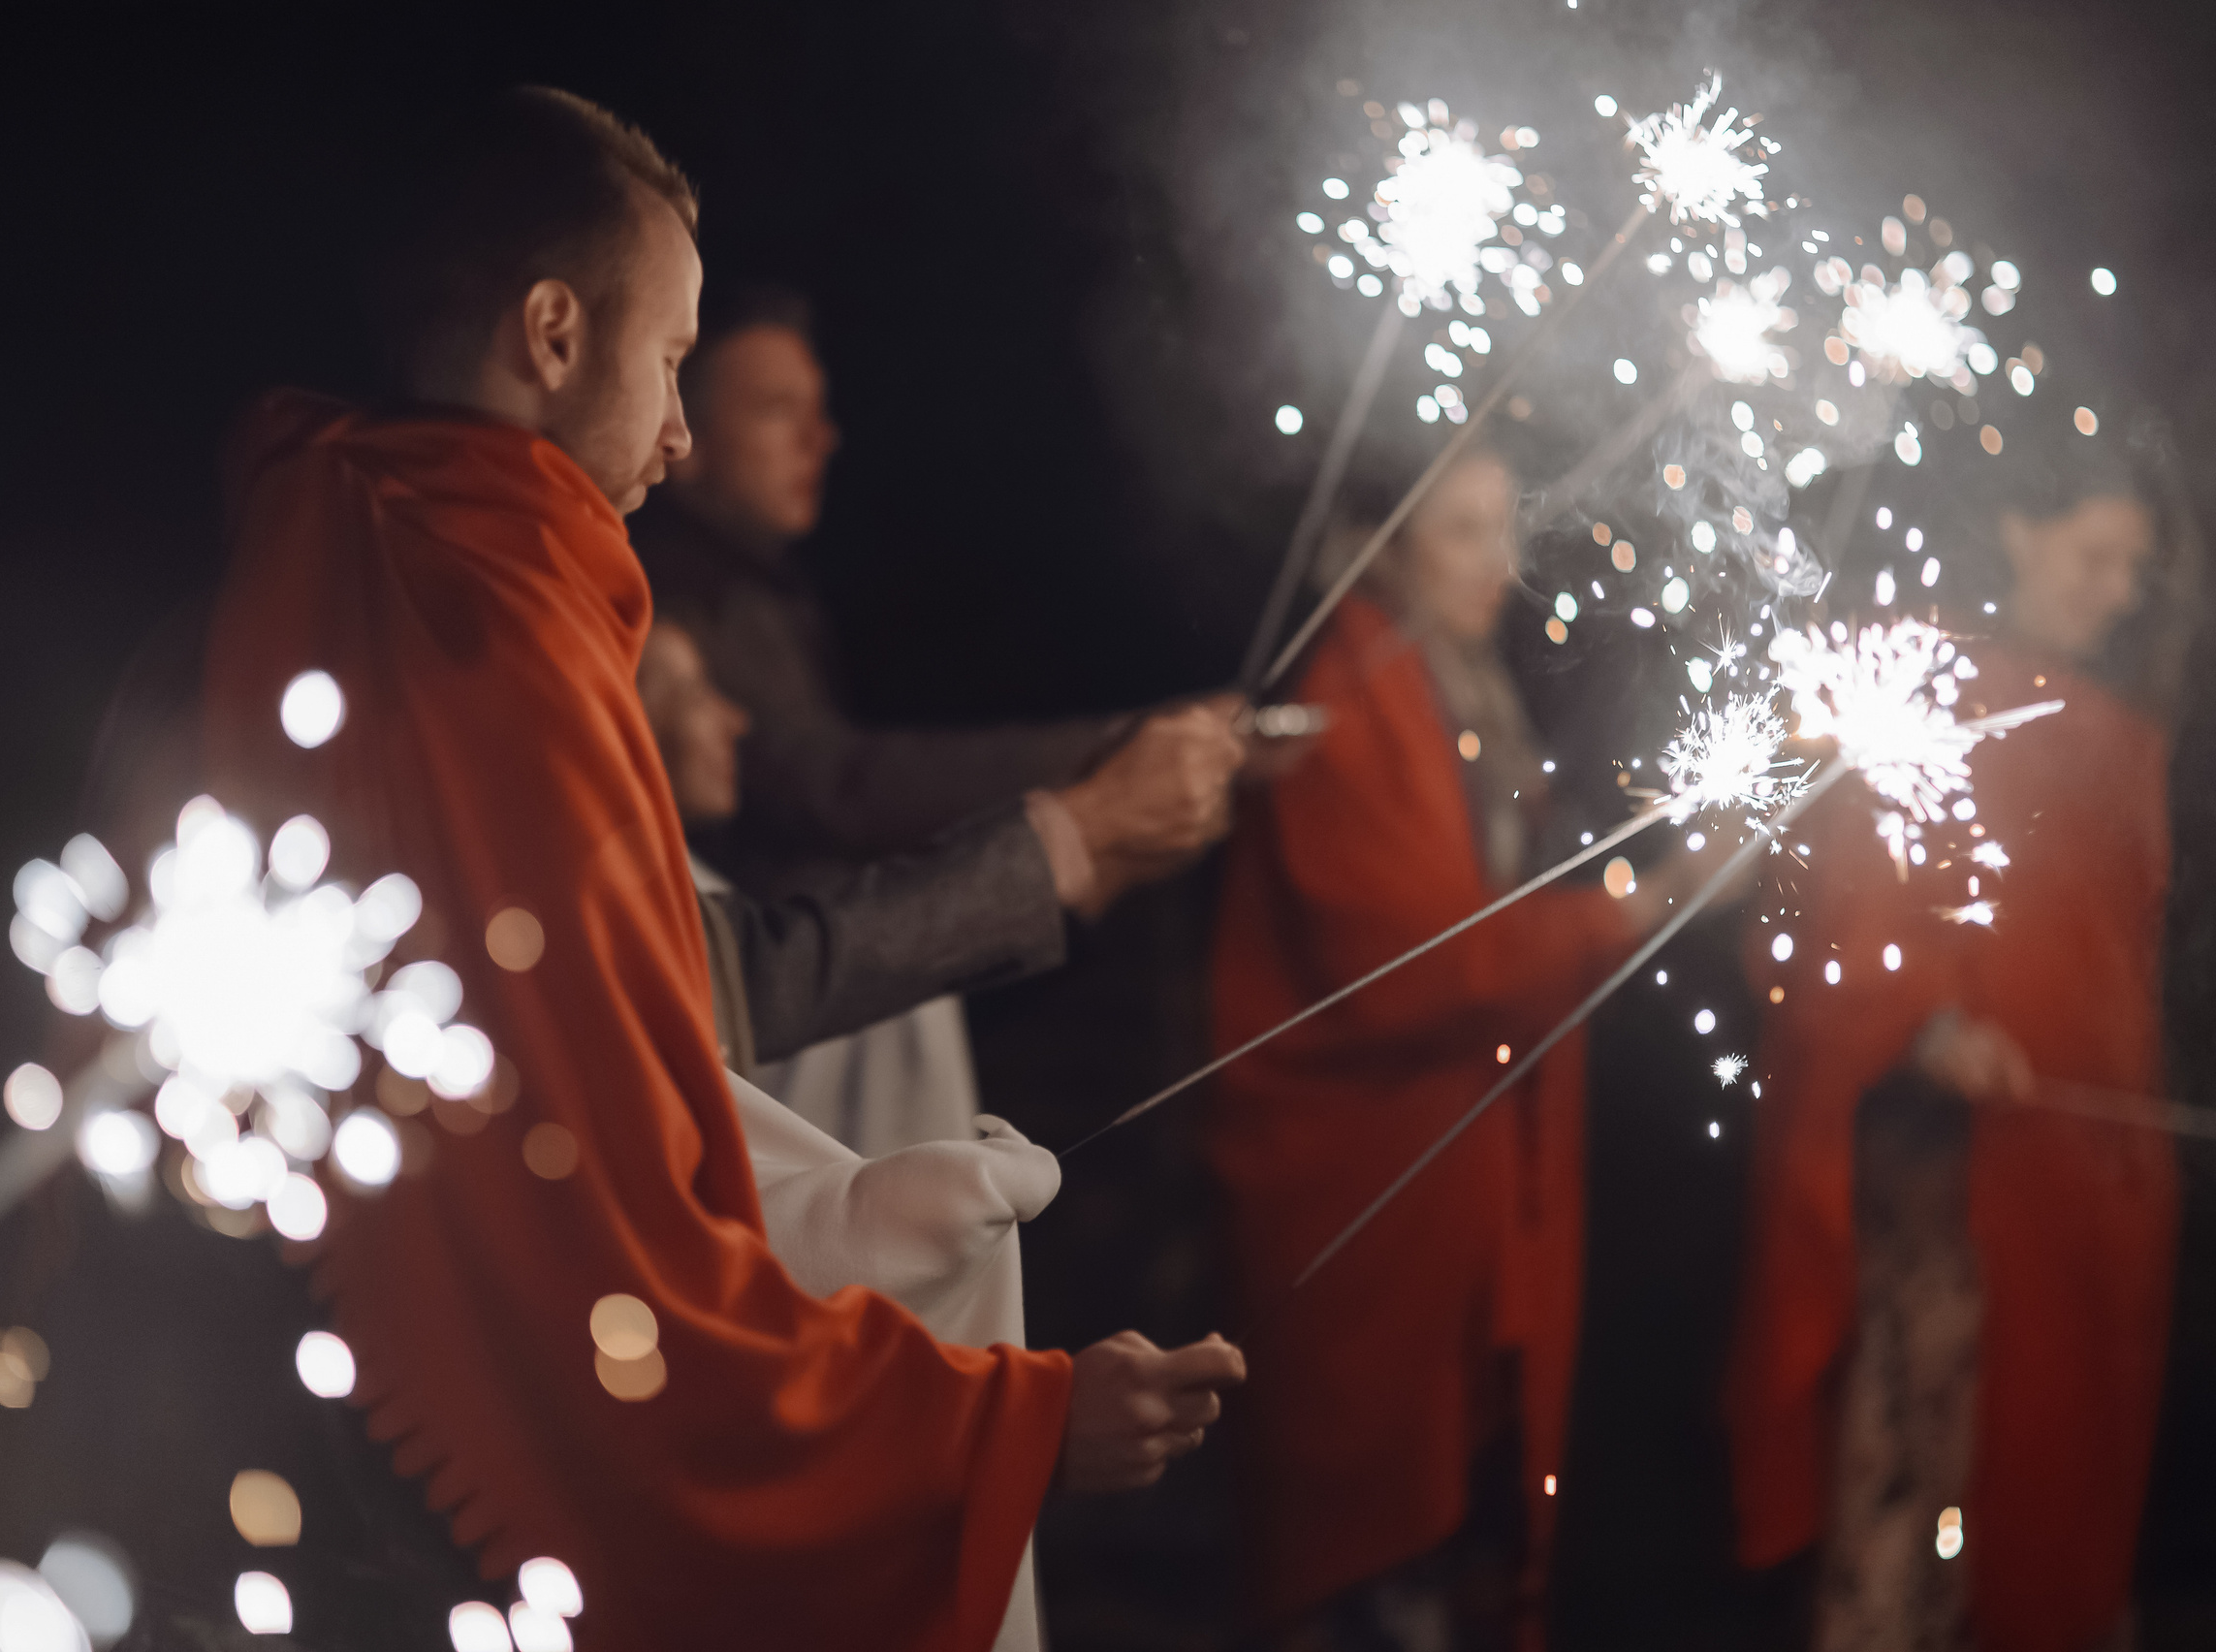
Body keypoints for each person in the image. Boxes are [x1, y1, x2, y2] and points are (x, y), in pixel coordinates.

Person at [195, 87, 1244, 1649]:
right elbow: (604, 1273)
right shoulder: (504, 653)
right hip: (435, 1556)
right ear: (554, 333)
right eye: (675, 363)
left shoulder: (312, 561)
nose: (678, 438)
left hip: (256, 1446)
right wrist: (1006, 1426)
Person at [1202, 450, 1734, 1648]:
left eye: (1505, 527)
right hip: (1367, 1180)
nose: (1500, 566)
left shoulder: (1455, 677)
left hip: (1465, 1173)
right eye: (1460, 534)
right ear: (1385, 545)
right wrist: (1643, 903)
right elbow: (1424, 968)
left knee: (1461, 1540)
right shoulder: (1348, 685)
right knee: (1371, 1553)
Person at [1724, 459, 2176, 1651]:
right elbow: (1827, 923)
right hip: (1940, 1192)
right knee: (1918, 1498)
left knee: (2050, 1495)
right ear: (2020, 529)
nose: (2117, 589)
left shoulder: (2122, 739)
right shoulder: (1921, 692)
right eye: (2095, 555)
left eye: (2135, 566)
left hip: (2081, 1188)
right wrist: (1925, 1024)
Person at [633, 286, 1248, 1153]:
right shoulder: (672, 601)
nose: (822, 438)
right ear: (683, 433)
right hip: (771, 1052)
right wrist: (1104, 768)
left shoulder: (758, 589)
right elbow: (837, 784)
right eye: (778, 410)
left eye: (820, 409)